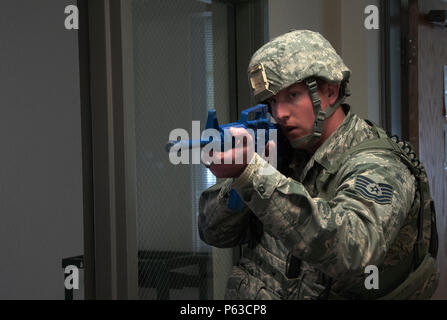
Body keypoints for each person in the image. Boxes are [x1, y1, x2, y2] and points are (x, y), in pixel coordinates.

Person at [198, 30, 439, 299]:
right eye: (272, 101)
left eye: (293, 96)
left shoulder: (376, 163)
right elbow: (214, 232)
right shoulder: (283, 151)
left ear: (330, 92)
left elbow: (354, 251)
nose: (279, 113)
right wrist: (239, 183)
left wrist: (253, 175)